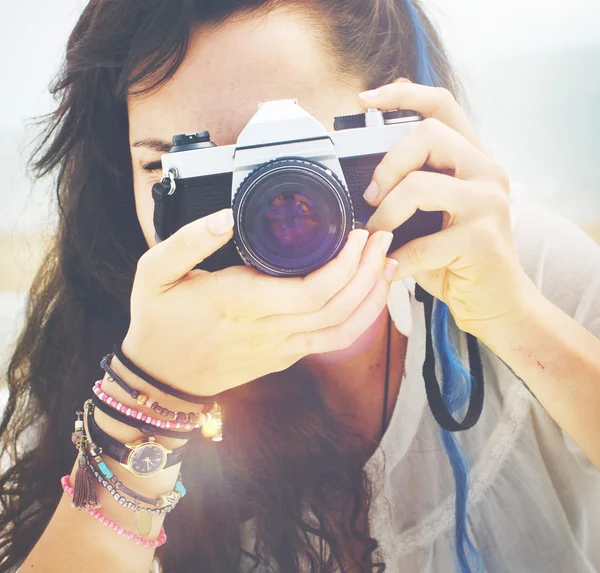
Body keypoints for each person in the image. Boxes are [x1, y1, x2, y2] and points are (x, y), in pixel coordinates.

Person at [1, 0, 599, 571]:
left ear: (395, 131)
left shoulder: (516, 269)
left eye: (290, 163)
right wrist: (150, 401)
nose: (268, 214)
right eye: (171, 168)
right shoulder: (90, 373)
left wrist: (515, 320)